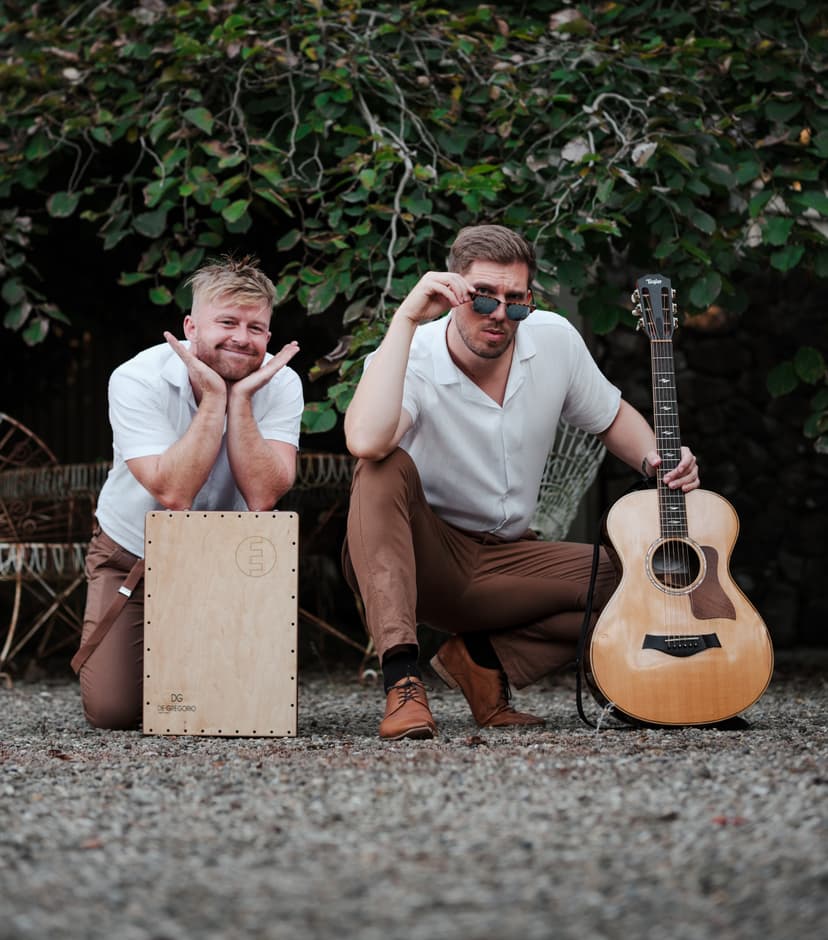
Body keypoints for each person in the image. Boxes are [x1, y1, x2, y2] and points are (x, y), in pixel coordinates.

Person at [342, 224, 700, 740]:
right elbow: (366, 441)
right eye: (484, 298)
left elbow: (611, 415)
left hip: (511, 558)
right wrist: (405, 319)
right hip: (426, 558)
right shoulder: (413, 354)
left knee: (655, 578)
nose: (499, 314)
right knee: (380, 467)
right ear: (452, 291)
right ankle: (403, 683)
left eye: (515, 301)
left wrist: (658, 461)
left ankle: (482, 660)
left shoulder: (553, 339)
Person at [74, 256, 304, 730]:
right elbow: (174, 493)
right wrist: (215, 399)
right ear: (190, 327)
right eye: (227, 323)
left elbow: (263, 497)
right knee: (114, 711)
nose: (242, 338)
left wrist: (241, 399)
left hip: (231, 560)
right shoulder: (137, 378)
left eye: (256, 328)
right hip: (133, 554)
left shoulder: (281, 382)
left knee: (235, 709)